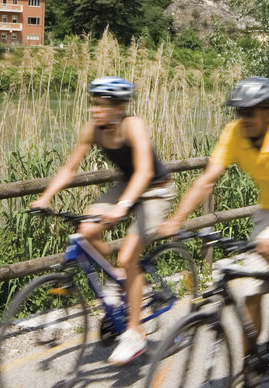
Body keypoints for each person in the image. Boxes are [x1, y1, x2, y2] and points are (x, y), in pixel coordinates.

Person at [158, 76, 269, 350]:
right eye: (240, 112)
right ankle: (250, 368)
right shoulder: (235, 132)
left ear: (268, 112)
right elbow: (207, 179)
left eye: (249, 112)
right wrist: (176, 219)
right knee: (251, 291)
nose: (244, 118)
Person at [29, 76, 175, 365]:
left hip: (156, 190)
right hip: (127, 186)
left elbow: (145, 171)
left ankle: (135, 333)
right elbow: (69, 168)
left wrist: (122, 207)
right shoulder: (93, 129)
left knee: (129, 254)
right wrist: (45, 198)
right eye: (94, 103)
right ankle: (118, 279)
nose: (96, 109)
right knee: (86, 230)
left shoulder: (133, 126)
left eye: (103, 104)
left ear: (119, 107)